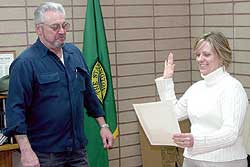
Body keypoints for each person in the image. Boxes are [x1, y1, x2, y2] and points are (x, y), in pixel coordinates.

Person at [3, 2, 113, 167]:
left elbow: (89, 94)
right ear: (39, 29)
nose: (62, 31)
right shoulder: (25, 63)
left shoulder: (74, 53)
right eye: (55, 27)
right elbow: (15, 110)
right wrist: (25, 150)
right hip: (45, 155)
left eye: (64, 25)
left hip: (77, 150)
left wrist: (103, 125)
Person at [155, 32, 248, 167]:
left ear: (222, 57)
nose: (200, 59)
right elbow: (173, 113)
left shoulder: (232, 88)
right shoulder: (197, 88)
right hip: (191, 160)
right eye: (198, 55)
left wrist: (197, 142)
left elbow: (230, 133)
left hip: (225, 162)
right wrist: (167, 81)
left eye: (206, 54)